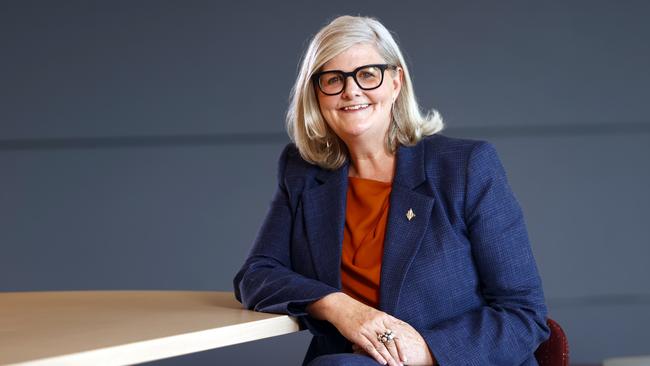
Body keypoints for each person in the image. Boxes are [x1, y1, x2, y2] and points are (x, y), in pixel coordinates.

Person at [233, 15, 549, 366]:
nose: (351, 91)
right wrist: (340, 307)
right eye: (333, 79)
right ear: (316, 94)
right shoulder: (303, 172)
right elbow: (256, 275)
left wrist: (426, 351)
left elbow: (523, 314)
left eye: (368, 74)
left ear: (396, 82)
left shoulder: (465, 166)